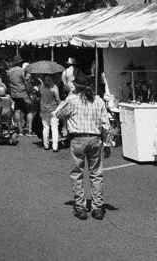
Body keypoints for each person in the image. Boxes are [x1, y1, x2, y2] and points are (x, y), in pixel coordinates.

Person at [55, 72, 112, 220]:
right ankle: (97, 207)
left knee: (77, 173)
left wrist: (69, 97)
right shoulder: (98, 101)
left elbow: (58, 113)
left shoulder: (72, 99)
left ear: (76, 85)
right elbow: (106, 124)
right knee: (96, 174)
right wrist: (106, 143)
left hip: (78, 138)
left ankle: (80, 207)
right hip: (94, 138)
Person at [7, 55, 34, 136]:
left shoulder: (9, 72)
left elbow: (8, 83)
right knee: (29, 111)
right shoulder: (22, 71)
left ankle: (20, 130)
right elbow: (26, 83)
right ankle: (29, 130)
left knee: (17, 110)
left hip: (14, 94)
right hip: (23, 93)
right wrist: (30, 93)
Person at [38, 74, 61, 152]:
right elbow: (57, 99)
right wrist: (61, 105)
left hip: (43, 109)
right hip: (53, 109)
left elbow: (39, 95)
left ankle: (46, 145)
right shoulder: (54, 87)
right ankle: (55, 147)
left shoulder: (41, 86)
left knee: (45, 128)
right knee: (54, 128)